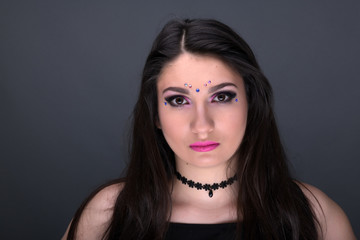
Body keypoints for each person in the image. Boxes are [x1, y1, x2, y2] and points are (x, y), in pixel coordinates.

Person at [62, 18, 355, 240]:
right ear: (155, 115)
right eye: (178, 100)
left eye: (222, 97)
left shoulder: (316, 214)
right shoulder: (107, 214)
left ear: (251, 104)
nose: (202, 125)